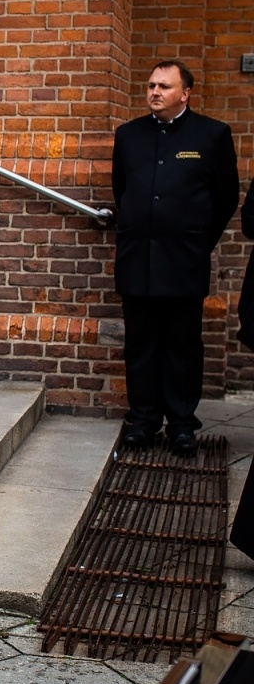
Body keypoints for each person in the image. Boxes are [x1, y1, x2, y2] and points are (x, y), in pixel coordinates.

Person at [111, 60, 239, 456]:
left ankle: (182, 424)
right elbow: (123, 190)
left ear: (185, 93)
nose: (154, 92)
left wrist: (198, 241)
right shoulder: (128, 135)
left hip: (184, 260)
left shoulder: (212, 135)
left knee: (183, 345)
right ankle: (143, 420)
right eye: (151, 85)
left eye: (164, 86)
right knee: (141, 343)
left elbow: (226, 198)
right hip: (137, 259)